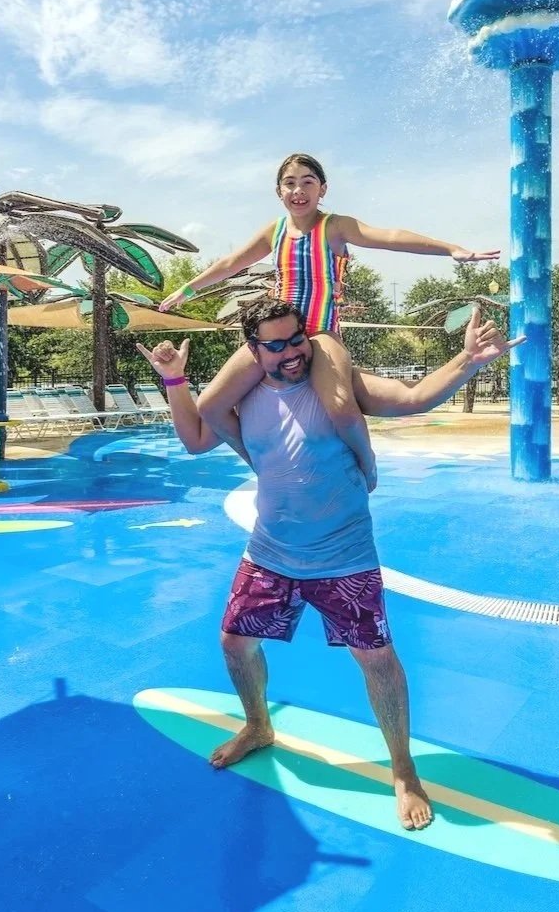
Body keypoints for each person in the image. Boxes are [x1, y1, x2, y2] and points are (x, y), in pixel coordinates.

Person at [137, 300, 520, 831]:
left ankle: (404, 770)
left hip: (345, 557)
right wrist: (176, 380)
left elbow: (410, 398)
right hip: (270, 552)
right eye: (275, 346)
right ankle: (257, 726)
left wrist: (468, 361)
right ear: (253, 351)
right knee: (234, 642)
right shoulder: (244, 400)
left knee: (378, 662)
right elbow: (195, 439)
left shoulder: (337, 390)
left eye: (296, 339)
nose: (291, 353)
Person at [157, 153, 499, 489]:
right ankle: (254, 461)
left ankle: (368, 463)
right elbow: (231, 263)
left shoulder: (334, 226)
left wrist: (450, 248)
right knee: (211, 404)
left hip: (320, 334)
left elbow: (390, 237)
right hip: (276, 334)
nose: (298, 190)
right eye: (289, 183)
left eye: (308, 182)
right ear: (279, 192)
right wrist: (187, 290)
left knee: (339, 406)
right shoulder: (274, 232)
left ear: (323, 189)